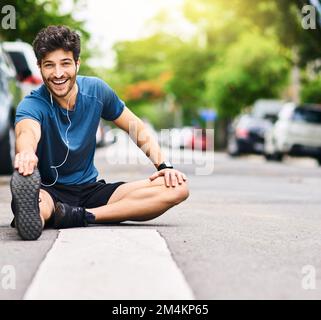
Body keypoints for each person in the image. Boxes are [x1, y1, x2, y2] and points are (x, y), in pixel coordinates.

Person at [10, 25, 189, 241]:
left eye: (65, 64)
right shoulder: (32, 104)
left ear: (77, 63)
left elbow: (135, 127)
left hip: (90, 191)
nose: (58, 74)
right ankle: (35, 212)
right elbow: (27, 132)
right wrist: (26, 152)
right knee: (40, 205)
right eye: (49, 65)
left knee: (177, 188)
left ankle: (82, 216)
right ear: (39, 67)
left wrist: (164, 166)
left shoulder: (96, 91)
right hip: (49, 190)